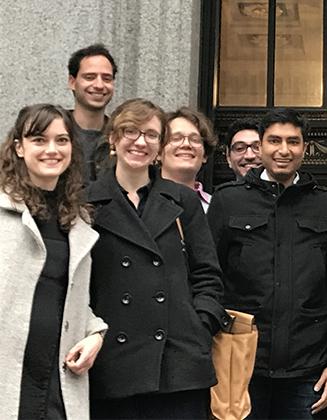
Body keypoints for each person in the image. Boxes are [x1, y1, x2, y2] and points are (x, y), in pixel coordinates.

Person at [87, 98, 229, 419]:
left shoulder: (182, 201)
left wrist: (199, 325)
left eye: (151, 135)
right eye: (130, 132)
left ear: (160, 145)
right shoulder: (87, 203)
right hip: (112, 364)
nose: (140, 142)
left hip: (178, 366)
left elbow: (208, 275)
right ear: (113, 139)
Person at [207, 108, 327, 419]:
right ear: (261, 146)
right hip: (240, 363)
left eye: (293, 142)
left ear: (305, 148)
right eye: (274, 141)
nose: (284, 150)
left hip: (308, 368)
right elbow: (209, 281)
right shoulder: (228, 201)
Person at [0, 104, 107, 418]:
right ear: (19, 147)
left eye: (62, 140)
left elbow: (74, 299)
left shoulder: (78, 222)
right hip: (8, 377)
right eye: (39, 139)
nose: (52, 149)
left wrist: (95, 335)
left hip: (58, 380)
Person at [67, 43, 117, 183]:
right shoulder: (52, 130)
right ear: (72, 82)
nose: (99, 85)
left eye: (107, 78)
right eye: (90, 77)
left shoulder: (121, 135)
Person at [160, 107, 217, 212]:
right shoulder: (141, 202)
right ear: (158, 152)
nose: (186, 144)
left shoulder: (216, 207)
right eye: (176, 138)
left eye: (195, 140)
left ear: (205, 155)